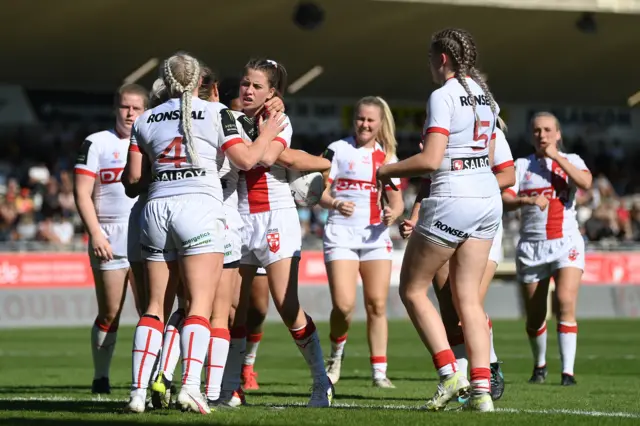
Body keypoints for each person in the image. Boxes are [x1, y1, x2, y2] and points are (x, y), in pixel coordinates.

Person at [123, 51, 287, 414]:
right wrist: (270, 134)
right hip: (200, 207)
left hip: (156, 210)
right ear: (201, 82)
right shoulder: (218, 113)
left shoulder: (145, 119)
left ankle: (136, 392)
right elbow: (246, 160)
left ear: (166, 82)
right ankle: (191, 388)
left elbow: (133, 181)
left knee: (154, 308)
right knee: (199, 305)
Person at [376, 28, 501, 412]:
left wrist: (387, 170)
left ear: (442, 59)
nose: (429, 66)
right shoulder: (487, 97)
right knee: (468, 299)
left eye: (431, 59)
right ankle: (481, 392)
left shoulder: (443, 95)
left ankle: (450, 376)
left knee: (412, 289)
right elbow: (490, 150)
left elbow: (431, 160)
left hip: (454, 196)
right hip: (487, 197)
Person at [222, 58, 334, 408]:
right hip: (240, 217)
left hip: (276, 218)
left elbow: (266, 157)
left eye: (257, 86)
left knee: (287, 306)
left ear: (272, 92)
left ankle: (321, 381)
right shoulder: (231, 119)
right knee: (232, 310)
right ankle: (230, 387)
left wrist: (266, 135)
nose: (248, 90)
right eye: (245, 83)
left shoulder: (280, 121)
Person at [400, 117, 515, 401]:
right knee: (449, 308)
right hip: (442, 216)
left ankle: (487, 368)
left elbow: (508, 176)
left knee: (467, 302)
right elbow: (429, 181)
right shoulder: (441, 135)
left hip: (479, 220)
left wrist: (470, 187)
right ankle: (462, 381)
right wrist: (415, 218)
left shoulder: (491, 135)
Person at [318, 96, 404, 388]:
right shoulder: (337, 150)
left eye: (370, 120)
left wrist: (394, 213)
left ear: (380, 124)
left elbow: (397, 200)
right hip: (340, 235)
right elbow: (318, 192)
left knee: (377, 304)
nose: (364, 124)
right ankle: (336, 357)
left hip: (375, 238)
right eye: (360, 119)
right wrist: (335, 203)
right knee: (343, 306)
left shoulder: (388, 157)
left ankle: (380, 372)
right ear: (353, 119)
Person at [502, 112, 591, 386]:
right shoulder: (521, 165)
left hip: (567, 242)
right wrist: (527, 201)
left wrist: (556, 157)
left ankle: (568, 373)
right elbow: (505, 197)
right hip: (532, 245)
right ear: (531, 135)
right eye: (537, 130)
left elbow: (585, 183)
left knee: (565, 301)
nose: (542, 135)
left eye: (548, 130)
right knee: (535, 314)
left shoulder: (572, 160)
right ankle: (539, 365)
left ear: (558, 134)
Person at [73, 83, 148, 394]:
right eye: (124, 107)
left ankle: (149, 379)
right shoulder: (96, 143)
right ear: (115, 108)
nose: (129, 113)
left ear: (145, 111)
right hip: (110, 235)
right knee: (110, 312)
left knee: (151, 312)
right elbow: (81, 192)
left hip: (145, 233)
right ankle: (101, 377)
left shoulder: (152, 140)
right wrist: (95, 234)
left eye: (136, 108)